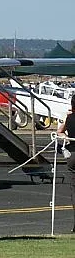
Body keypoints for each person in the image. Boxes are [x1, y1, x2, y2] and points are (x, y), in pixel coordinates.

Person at [56, 95, 75, 232]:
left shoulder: (69, 118)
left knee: (74, 189)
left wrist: (67, 139)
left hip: (72, 154)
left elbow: (60, 132)